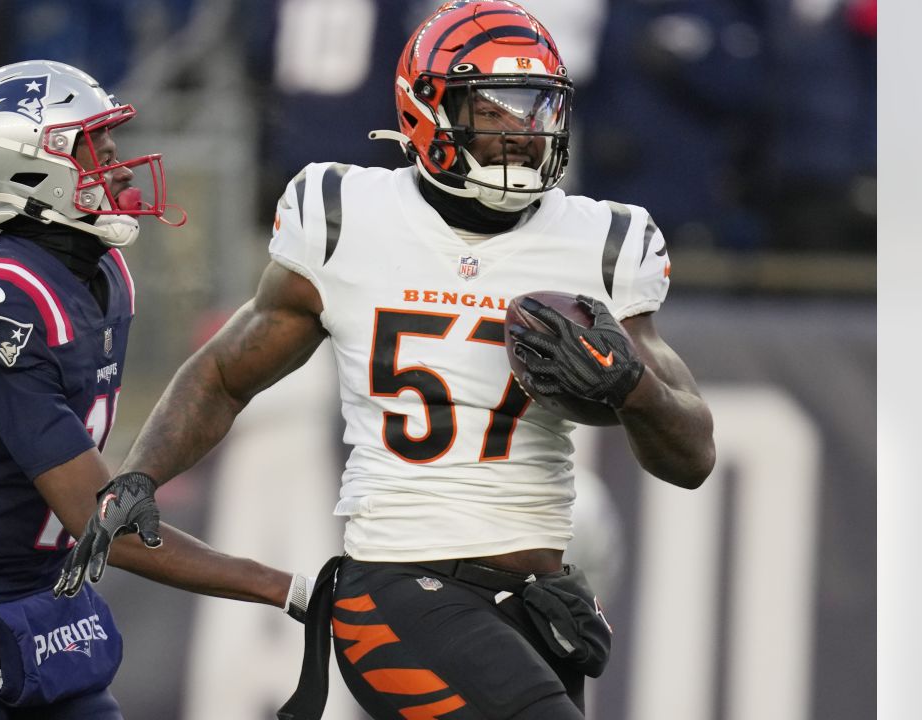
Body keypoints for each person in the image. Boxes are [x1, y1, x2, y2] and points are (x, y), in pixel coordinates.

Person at [61, 0, 716, 717]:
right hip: (399, 592)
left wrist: (634, 389)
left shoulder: (604, 241)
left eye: (537, 108)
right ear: (425, 111)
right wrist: (140, 474)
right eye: (494, 109)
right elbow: (224, 373)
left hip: (534, 603)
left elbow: (692, 459)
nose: (524, 133)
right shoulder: (344, 217)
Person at [0, 60, 311, 720]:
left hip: (45, 605)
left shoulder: (106, 278)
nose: (119, 166)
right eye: (92, 148)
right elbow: (101, 525)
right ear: (24, 168)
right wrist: (287, 587)